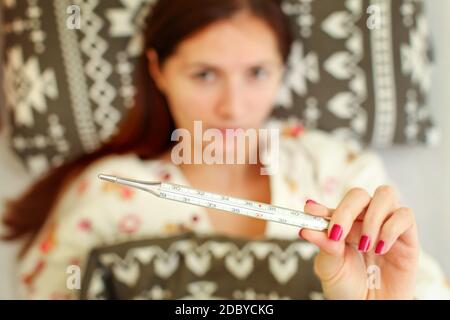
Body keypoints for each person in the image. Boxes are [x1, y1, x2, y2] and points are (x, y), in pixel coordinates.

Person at [2, 0, 448, 300]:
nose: (233, 108)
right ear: (158, 70)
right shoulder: (103, 196)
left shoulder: (343, 174)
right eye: (204, 75)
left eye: (257, 73)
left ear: (282, 70)